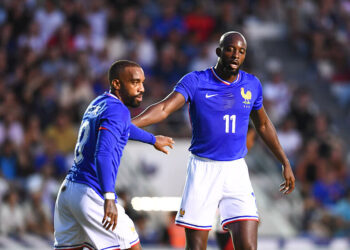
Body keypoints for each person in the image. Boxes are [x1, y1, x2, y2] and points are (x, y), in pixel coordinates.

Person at [132, 31, 295, 250]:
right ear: (219, 52)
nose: (235, 55)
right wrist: (128, 125)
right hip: (203, 169)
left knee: (248, 246)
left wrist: (284, 161)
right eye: (230, 49)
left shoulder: (252, 85)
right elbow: (163, 108)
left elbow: (263, 125)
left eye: (241, 51)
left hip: (236, 171)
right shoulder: (196, 81)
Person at [54, 60, 174, 250]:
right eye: (135, 82)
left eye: (142, 82)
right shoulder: (118, 110)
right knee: (131, 247)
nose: (142, 88)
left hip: (69, 192)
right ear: (117, 84)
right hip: (92, 193)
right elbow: (103, 154)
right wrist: (109, 198)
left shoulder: (98, 103)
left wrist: (152, 139)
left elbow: (122, 129)